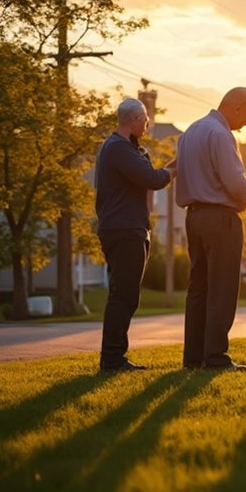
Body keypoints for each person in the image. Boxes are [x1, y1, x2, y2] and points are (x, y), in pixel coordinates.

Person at [175, 87, 246, 372]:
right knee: (222, 289)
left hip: (194, 217)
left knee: (198, 288)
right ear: (236, 108)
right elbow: (235, 183)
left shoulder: (190, 132)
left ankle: (194, 357)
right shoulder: (221, 134)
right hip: (220, 220)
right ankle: (215, 358)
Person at [94, 97, 176, 372]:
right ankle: (112, 359)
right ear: (133, 120)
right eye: (145, 119)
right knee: (122, 296)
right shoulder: (118, 149)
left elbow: (149, 173)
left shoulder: (126, 149)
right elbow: (152, 179)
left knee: (127, 295)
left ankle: (115, 357)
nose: (148, 124)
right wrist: (172, 171)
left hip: (129, 228)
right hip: (124, 229)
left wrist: (169, 167)